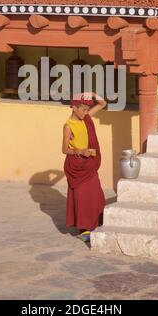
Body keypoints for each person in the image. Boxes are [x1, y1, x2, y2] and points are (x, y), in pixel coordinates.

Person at [62, 92, 107, 242]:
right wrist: (81, 151)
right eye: (83, 109)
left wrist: (93, 94)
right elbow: (64, 149)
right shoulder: (69, 126)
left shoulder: (85, 118)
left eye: (87, 109)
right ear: (74, 107)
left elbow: (102, 104)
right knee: (82, 198)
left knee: (95, 195)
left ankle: (95, 224)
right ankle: (84, 229)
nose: (86, 112)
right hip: (78, 166)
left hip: (89, 164)